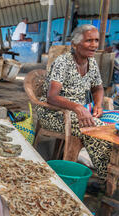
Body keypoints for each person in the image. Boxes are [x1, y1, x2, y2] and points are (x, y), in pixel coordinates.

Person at [35, 24, 111, 180]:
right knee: (96, 128)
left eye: (96, 40)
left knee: (113, 126)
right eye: (89, 40)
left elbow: (98, 88)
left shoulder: (92, 62)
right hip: (54, 113)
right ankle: (107, 175)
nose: (94, 45)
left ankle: (110, 167)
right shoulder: (63, 62)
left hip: (78, 112)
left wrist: (97, 105)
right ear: (75, 44)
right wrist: (78, 107)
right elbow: (52, 96)